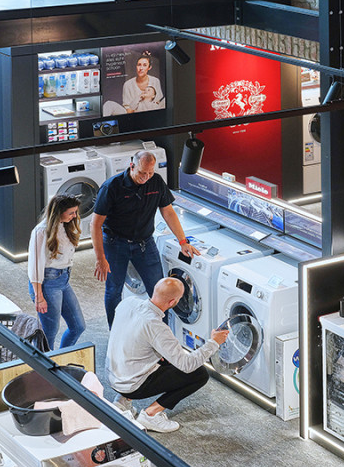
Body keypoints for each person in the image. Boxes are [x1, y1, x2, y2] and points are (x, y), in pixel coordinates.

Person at [91, 148, 200, 327]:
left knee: (160, 290)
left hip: (145, 244)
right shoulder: (112, 186)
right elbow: (95, 224)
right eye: (142, 173)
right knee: (113, 290)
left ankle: (160, 333)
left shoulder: (156, 182)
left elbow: (168, 212)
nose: (146, 177)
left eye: (150, 172)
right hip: (115, 244)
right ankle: (116, 333)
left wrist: (183, 241)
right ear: (132, 166)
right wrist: (100, 258)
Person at [106, 276, 229, 433]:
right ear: (172, 302)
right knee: (199, 374)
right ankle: (151, 415)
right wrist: (214, 342)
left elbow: (133, 338)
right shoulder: (157, 327)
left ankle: (123, 401)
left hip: (112, 375)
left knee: (165, 356)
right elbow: (187, 365)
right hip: (131, 386)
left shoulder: (128, 302)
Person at [27, 194, 86, 350]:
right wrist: (39, 296)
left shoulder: (66, 225)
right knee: (49, 333)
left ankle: (60, 356)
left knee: (78, 326)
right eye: (71, 213)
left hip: (64, 279)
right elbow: (34, 266)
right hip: (47, 283)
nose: (75, 216)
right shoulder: (41, 232)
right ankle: (46, 362)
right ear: (59, 212)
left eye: (75, 212)